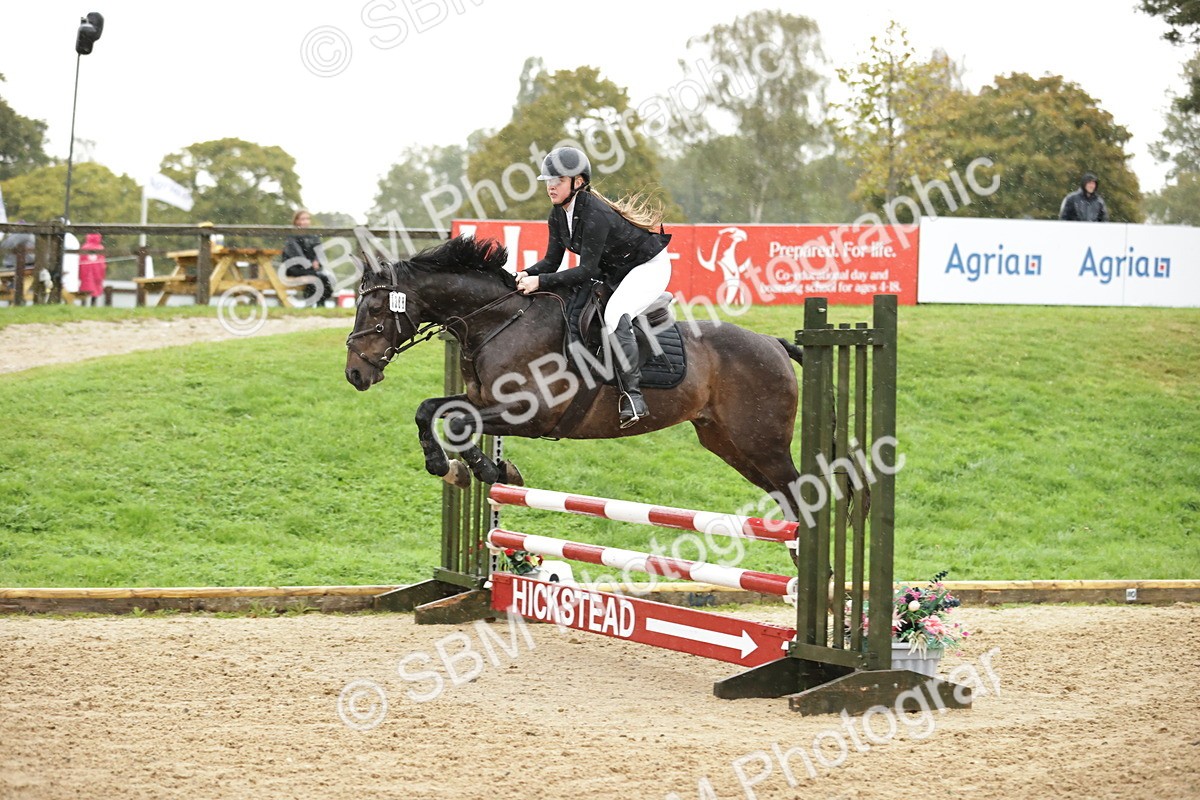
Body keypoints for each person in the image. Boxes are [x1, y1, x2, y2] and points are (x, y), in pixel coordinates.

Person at [516, 146, 672, 428]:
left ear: (578, 182)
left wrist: (539, 282)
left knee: (615, 315)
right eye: (548, 180)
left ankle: (633, 397)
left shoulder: (594, 213)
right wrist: (521, 274)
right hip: (618, 270)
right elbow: (551, 262)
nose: (550, 186)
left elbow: (586, 270)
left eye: (558, 180)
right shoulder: (557, 214)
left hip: (647, 267)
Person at [281, 209, 334, 306]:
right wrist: (309, 264)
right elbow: (296, 254)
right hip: (294, 268)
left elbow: (319, 251)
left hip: (311, 268)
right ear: (296, 221)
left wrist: (316, 261)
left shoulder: (313, 235)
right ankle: (312, 303)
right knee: (315, 278)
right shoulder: (292, 235)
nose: (305, 221)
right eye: (302, 219)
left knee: (325, 278)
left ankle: (320, 303)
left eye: (307, 219)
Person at [77, 232, 107, 306]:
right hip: (97, 273)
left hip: (85, 273)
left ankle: (83, 305)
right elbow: (102, 264)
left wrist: (80, 274)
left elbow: (80, 261)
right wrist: (102, 274)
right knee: (95, 290)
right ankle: (93, 305)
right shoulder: (100, 248)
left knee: (85, 289)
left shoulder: (84, 247)